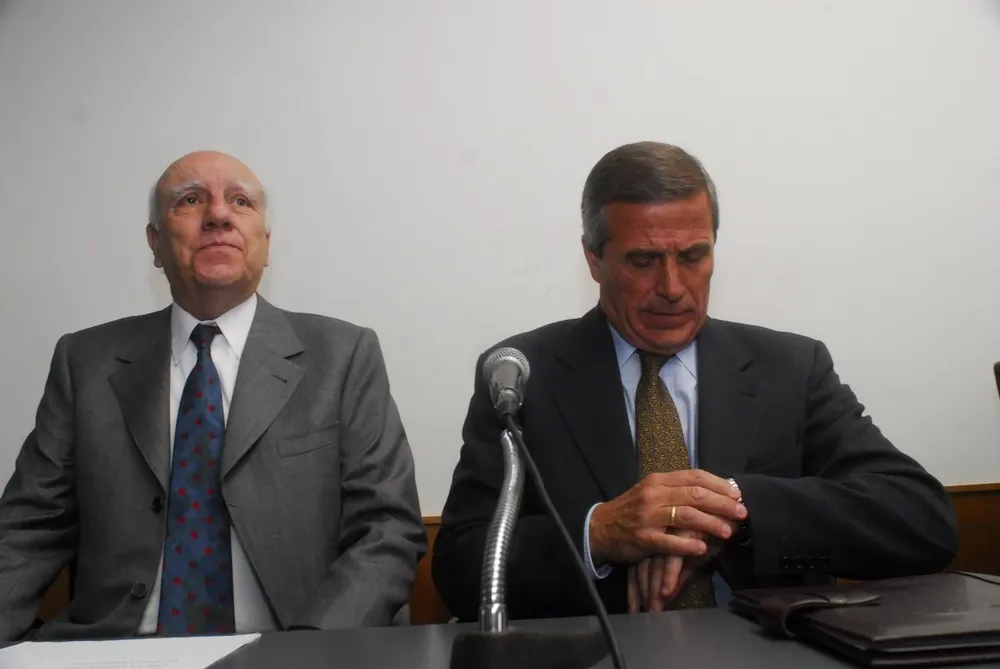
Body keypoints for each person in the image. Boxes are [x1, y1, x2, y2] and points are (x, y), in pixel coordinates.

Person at [432, 141, 958, 621]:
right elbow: (459, 566)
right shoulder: (522, 374)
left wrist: (731, 511)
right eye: (643, 260)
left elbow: (922, 522)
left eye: (693, 256)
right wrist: (600, 533)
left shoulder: (790, 368)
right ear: (594, 259)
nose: (673, 287)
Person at [0, 151, 426, 641]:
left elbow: (388, 529)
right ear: (155, 243)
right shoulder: (85, 361)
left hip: (295, 648)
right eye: (190, 200)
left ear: (266, 244)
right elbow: (29, 530)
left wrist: (311, 650)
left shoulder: (344, 356)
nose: (219, 215)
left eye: (240, 202)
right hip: (117, 649)